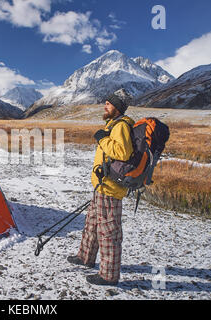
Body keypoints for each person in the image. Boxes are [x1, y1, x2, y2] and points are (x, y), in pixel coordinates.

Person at [67, 93, 134, 286]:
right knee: (92, 224)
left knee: (108, 231)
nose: (105, 106)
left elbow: (123, 152)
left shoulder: (121, 126)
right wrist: (104, 137)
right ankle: (85, 257)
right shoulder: (113, 124)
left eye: (108, 103)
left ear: (117, 107)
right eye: (105, 103)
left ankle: (109, 275)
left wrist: (102, 140)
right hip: (102, 184)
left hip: (111, 188)